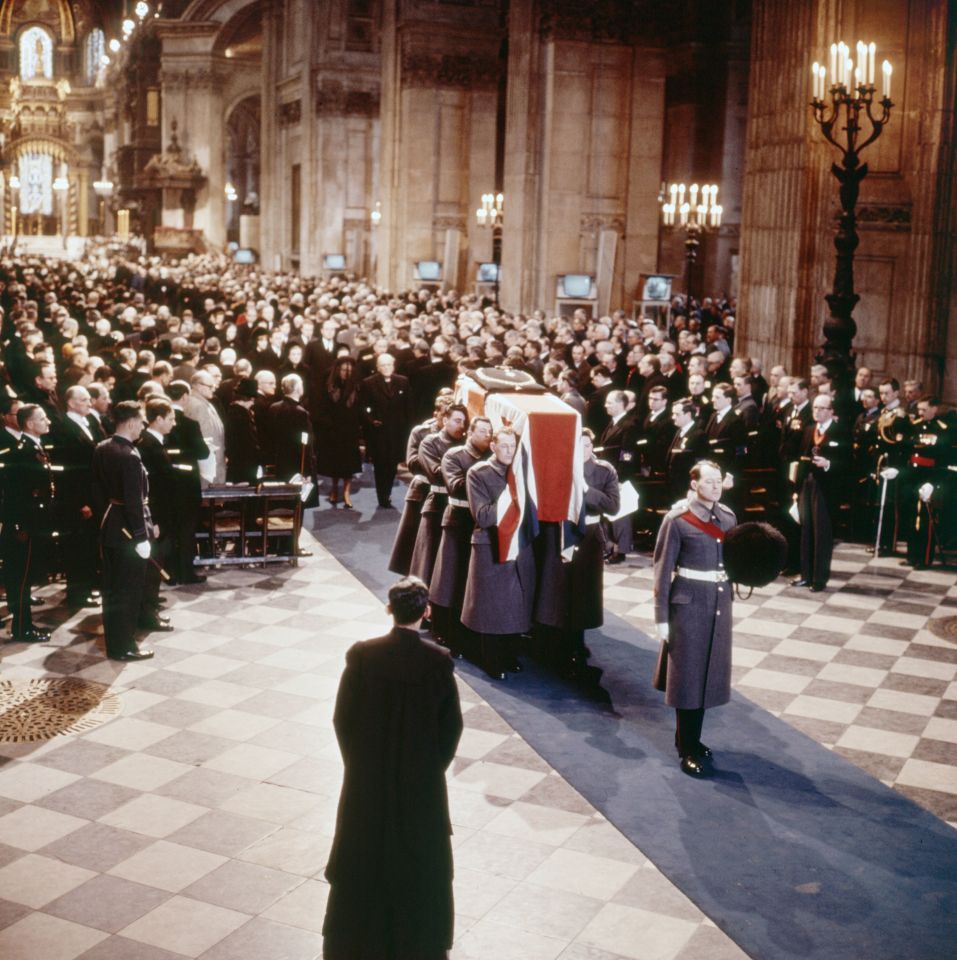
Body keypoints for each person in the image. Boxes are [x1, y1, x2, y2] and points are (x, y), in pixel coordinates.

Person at [322, 576, 462, 960]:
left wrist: (362, 763)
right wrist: (429, 768)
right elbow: (451, 728)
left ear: (390, 609)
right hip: (421, 786)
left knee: (364, 852)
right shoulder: (438, 662)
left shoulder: (362, 656)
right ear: (426, 612)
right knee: (419, 861)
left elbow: (342, 719)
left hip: (367, 780)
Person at [652, 460, 736, 777]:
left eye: (719, 481)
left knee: (707, 674)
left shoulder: (728, 517)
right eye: (709, 481)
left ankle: (693, 739)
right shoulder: (677, 520)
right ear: (694, 485)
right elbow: (662, 572)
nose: (715, 486)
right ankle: (686, 746)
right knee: (688, 678)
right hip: (687, 605)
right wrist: (662, 619)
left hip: (717, 603)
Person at [461, 427, 536, 680]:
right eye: (503, 446)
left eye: (512, 446)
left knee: (515, 605)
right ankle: (491, 660)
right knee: (491, 608)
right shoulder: (478, 473)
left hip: (518, 545)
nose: (509, 451)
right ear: (492, 446)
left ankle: (509, 655)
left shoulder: (520, 472)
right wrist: (511, 501)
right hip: (489, 545)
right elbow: (482, 515)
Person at [91, 401, 155, 661]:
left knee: (112, 589)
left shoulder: (102, 447)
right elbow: (133, 500)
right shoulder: (129, 455)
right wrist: (141, 536)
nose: (143, 426)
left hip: (110, 525)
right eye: (141, 421)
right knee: (128, 590)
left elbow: (96, 490)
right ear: (130, 422)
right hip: (129, 531)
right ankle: (125, 646)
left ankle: (115, 643)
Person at [428, 416, 492, 654]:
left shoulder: (490, 460)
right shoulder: (454, 456)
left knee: (471, 580)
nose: (487, 436)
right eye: (482, 431)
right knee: (450, 577)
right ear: (470, 433)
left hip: (479, 522)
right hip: (458, 519)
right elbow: (455, 485)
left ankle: (468, 632)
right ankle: (445, 630)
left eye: (490, 432)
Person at [2, 404, 55, 642]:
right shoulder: (21, 452)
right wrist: (19, 527)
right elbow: (15, 495)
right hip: (23, 525)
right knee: (21, 578)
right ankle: (22, 628)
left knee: (26, 576)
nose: (48, 422)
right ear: (30, 424)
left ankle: (25, 624)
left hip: (32, 522)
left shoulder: (34, 447)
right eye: (43, 419)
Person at [791, 394, 848, 592]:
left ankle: (819, 579)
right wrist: (796, 490)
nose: (817, 411)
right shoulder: (808, 430)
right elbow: (800, 459)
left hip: (826, 487)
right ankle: (806, 575)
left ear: (831, 411)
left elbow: (850, 462)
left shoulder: (841, 432)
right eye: (815, 407)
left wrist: (829, 464)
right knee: (806, 530)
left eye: (822, 408)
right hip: (808, 484)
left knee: (822, 533)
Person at [361, 353, 413, 508]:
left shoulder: (403, 381)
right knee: (380, 464)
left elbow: (409, 407)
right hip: (378, 431)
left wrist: (408, 429)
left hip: (397, 432)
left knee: (392, 465)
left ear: (394, 365)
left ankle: (387, 492)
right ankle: (382, 496)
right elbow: (363, 407)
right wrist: (371, 420)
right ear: (377, 367)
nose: (386, 368)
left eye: (389, 364)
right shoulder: (369, 383)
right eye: (383, 365)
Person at [316, 356, 362, 507]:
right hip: (333, 430)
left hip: (350, 430)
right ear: (337, 370)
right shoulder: (329, 385)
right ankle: (334, 489)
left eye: (349, 370)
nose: (346, 373)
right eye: (343, 370)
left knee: (349, 464)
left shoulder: (356, 386)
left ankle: (347, 492)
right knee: (335, 463)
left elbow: (359, 409)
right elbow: (322, 407)